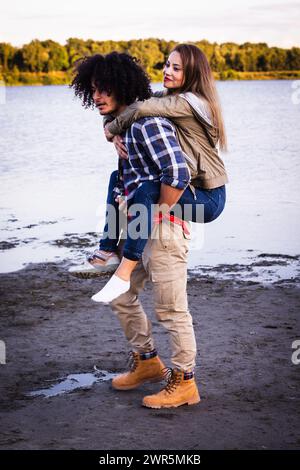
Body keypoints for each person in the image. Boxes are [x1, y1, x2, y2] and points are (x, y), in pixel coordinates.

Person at [70, 50, 210, 408]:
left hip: (163, 230)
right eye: (93, 89)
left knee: (171, 309)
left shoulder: (148, 123)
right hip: (139, 228)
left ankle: (185, 382)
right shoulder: (125, 127)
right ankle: (147, 362)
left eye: (104, 89)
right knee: (120, 293)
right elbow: (133, 180)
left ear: (122, 87)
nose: (97, 96)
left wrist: (158, 213)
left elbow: (176, 173)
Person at [70, 44, 228, 305]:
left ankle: (124, 271)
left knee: (146, 190)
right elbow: (128, 102)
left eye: (177, 68)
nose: (168, 71)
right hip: (193, 191)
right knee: (116, 178)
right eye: (167, 64)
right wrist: (111, 130)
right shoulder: (167, 98)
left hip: (208, 201)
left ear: (193, 74)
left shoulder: (188, 102)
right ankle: (108, 249)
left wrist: (110, 131)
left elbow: (139, 109)